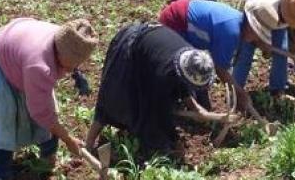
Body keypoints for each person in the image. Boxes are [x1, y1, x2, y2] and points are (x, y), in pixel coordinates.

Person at [0, 17, 98, 180]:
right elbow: (41, 113)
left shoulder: (67, 37)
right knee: (4, 123)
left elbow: (47, 110)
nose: (69, 70)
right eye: (69, 66)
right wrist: (68, 139)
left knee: (51, 111)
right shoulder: (39, 66)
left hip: (19, 52)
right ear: (60, 56)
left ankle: (47, 159)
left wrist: (76, 73)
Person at [86, 23, 215, 156]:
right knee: (112, 98)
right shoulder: (163, 75)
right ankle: (88, 145)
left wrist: (196, 108)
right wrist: (175, 140)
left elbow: (181, 83)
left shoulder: (189, 57)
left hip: (147, 51)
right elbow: (161, 113)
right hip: (128, 46)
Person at [158, 0, 271, 114]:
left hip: (189, 24)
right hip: (175, 23)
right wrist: (239, 93)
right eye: (258, 35)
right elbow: (220, 69)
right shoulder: (231, 32)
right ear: (251, 28)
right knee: (184, 71)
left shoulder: (238, 23)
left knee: (199, 76)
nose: (256, 39)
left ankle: (197, 102)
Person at [232, 0, 295, 98]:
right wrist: (264, 45)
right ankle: (236, 91)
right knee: (246, 51)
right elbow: (259, 37)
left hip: (278, 13)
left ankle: (277, 89)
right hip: (252, 12)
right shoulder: (263, 7)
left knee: (282, 50)